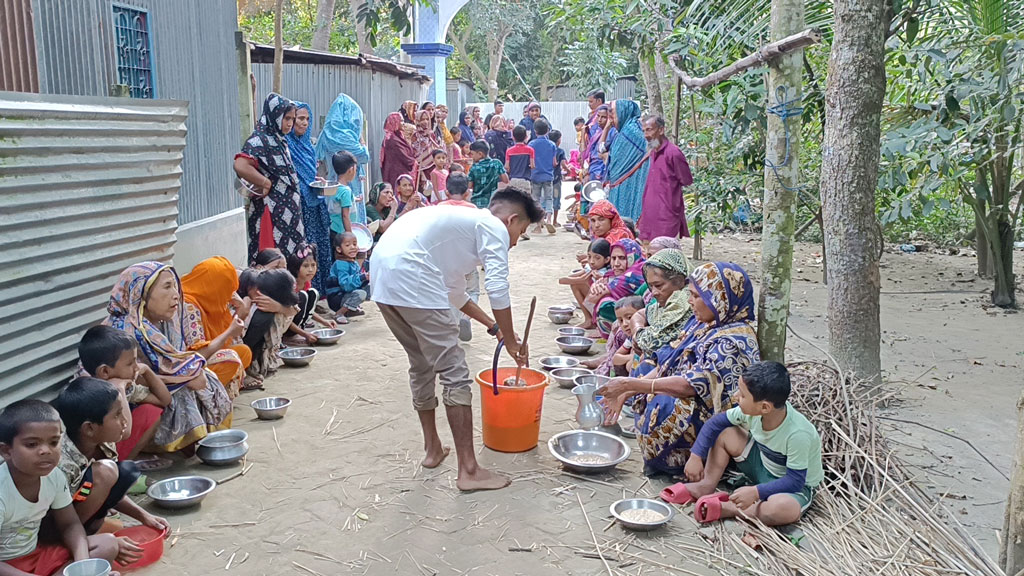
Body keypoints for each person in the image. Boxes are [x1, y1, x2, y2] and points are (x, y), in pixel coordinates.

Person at [370, 188, 542, 491]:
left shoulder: (459, 229)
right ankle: (469, 471)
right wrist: (514, 345)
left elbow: (455, 293)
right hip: (412, 275)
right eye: (521, 230)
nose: (516, 241)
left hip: (384, 277)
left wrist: (495, 327)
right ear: (511, 219)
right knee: (455, 373)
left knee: (421, 363)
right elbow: (498, 288)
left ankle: (433, 449)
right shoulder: (491, 226)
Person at [597, 262, 761, 477]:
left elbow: (690, 384)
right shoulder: (704, 324)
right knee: (646, 368)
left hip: (716, 420)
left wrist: (629, 384)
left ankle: (685, 461)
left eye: (696, 296)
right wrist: (628, 390)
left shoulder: (733, 341)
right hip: (692, 394)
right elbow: (672, 362)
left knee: (670, 403)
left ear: (720, 299)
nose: (689, 302)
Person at [668, 362, 823, 526]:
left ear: (764, 407)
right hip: (763, 464)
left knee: (783, 509)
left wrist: (756, 492)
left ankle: (728, 508)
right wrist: (696, 455)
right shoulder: (751, 413)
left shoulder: (798, 434)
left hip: (791, 486)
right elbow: (715, 423)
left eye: (742, 395)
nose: (735, 396)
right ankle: (706, 485)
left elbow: (794, 481)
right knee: (725, 432)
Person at [104, 262, 234, 453]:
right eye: (167, 287)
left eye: (175, 286)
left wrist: (184, 376)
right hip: (124, 402)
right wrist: (183, 378)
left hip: (148, 386)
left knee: (202, 375)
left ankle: (192, 441)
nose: (176, 294)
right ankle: (150, 448)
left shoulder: (160, 323)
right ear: (141, 293)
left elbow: (176, 362)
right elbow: (133, 376)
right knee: (185, 386)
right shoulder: (126, 331)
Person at [0, 400, 120, 576]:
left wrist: (83, 565)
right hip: (5, 567)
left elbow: (70, 524)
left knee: (106, 545)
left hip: (36, 556)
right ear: (6, 451)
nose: (46, 451)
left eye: (54, 442)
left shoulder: (54, 477)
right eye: (32, 445)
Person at [51, 378, 169, 550]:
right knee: (105, 472)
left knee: (125, 472)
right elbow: (58, 515)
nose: (125, 421)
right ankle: (73, 543)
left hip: (79, 510)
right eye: (117, 415)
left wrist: (144, 516)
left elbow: (109, 488)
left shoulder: (103, 441)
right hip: (55, 526)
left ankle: (91, 532)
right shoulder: (61, 463)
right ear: (89, 428)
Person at [77, 326, 171, 461]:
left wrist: (147, 371)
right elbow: (125, 432)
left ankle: (122, 465)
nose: (136, 367)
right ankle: (117, 470)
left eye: (136, 361)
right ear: (105, 372)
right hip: (92, 459)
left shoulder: (124, 385)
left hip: (111, 447)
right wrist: (119, 389)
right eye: (130, 363)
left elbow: (164, 400)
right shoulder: (92, 394)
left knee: (151, 412)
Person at [233, 93, 305, 264]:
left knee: (292, 261)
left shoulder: (279, 140)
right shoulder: (259, 140)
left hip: (289, 214)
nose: (290, 123)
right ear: (275, 116)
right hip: (271, 213)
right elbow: (241, 165)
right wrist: (265, 182)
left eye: (292, 119)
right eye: (286, 118)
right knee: (272, 262)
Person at [179, 257, 252, 395]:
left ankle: (220, 393)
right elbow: (198, 354)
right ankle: (208, 398)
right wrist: (230, 331)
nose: (230, 294)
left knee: (244, 352)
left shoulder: (212, 298)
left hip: (209, 355)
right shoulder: (189, 306)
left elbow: (234, 338)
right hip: (190, 367)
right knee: (232, 358)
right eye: (227, 288)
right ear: (215, 285)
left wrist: (241, 309)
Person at [286, 101, 333, 293]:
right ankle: (304, 293)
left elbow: (308, 172)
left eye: (307, 119)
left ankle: (318, 294)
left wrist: (316, 179)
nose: (304, 123)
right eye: (300, 119)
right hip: (299, 206)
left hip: (315, 203)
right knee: (303, 251)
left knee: (318, 248)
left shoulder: (306, 146)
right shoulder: (286, 145)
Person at [315, 93, 370, 226]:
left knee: (336, 219)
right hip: (350, 181)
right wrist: (362, 141)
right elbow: (364, 156)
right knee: (351, 218)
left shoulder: (326, 133)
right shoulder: (348, 137)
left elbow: (318, 155)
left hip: (334, 182)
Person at [631, 249, 693, 367]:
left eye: (659, 285)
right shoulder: (667, 301)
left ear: (679, 281)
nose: (653, 292)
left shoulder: (684, 300)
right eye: (650, 286)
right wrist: (637, 330)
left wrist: (638, 336)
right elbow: (640, 314)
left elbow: (649, 342)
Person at [439, 173, 481, 342]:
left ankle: (453, 325)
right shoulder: (473, 210)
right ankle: (465, 317)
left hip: (445, 261)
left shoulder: (439, 208)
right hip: (467, 261)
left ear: (446, 192)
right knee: (472, 291)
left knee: (450, 293)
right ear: (467, 193)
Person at [640, 115, 693, 243]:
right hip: (649, 213)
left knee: (664, 250)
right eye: (644, 131)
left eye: (649, 130)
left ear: (661, 130)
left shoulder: (673, 153)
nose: (646, 135)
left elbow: (686, 180)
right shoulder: (653, 152)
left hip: (666, 215)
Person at [239, 269, 298, 382]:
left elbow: (293, 309)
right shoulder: (248, 286)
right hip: (235, 345)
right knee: (264, 316)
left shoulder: (267, 290)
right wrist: (243, 311)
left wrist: (279, 307)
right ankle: (245, 368)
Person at [588, 240, 646, 336]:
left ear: (632, 257)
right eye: (613, 258)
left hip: (640, 321)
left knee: (604, 304)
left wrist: (598, 288)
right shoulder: (614, 274)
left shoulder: (633, 274)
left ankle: (618, 335)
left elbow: (591, 298)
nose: (616, 263)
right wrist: (596, 285)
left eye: (622, 258)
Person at [606, 100, 650, 221]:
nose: (610, 118)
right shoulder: (624, 131)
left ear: (623, 112)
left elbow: (649, 150)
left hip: (630, 178)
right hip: (621, 181)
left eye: (613, 113)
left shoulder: (631, 132)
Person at [285, 243, 335, 345]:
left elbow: (308, 310)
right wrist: (305, 334)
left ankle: (297, 331)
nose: (311, 270)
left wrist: (324, 322)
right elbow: (285, 318)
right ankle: (288, 336)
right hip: (284, 324)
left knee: (312, 294)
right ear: (296, 267)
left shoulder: (306, 282)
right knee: (303, 295)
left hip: (295, 322)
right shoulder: (290, 286)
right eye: (306, 266)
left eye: (313, 265)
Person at [559, 238, 611, 327]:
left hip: (604, 307)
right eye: (589, 256)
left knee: (578, 284)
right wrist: (581, 278)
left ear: (607, 259)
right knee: (576, 284)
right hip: (593, 303)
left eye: (597, 258)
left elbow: (572, 280)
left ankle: (593, 320)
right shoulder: (590, 268)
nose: (592, 261)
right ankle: (589, 319)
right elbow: (563, 280)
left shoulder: (607, 272)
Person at [327, 232, 370, 324]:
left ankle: (350, 309)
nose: (353, 247)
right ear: (339, 249)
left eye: (354, 244)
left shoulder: (353, 262)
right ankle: (339, 313)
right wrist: (362, 277)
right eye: (347, 245)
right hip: (337, 297)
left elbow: (356, 279)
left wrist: (366, 278)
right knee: (360, 294)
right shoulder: (340, 263)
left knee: (370, 286)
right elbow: (345, 285)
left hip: (346, 294)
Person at [528, 119, 558, 234]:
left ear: (535, 131)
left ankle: (539, 223)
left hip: (535, 175)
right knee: (549, 198)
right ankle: (549, 219)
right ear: (547, 131)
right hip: (548, 175)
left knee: (536, 199)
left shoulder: (531, 144)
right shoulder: (552, 144)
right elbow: (554, 162)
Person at [467, 140, 508, 209]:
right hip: (492, 202)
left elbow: (469, 186)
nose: (472, 157)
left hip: (477, 202)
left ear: (480, 154)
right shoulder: (496, 163)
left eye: (472, 154)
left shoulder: (474, 168)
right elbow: (505, 180)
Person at [381, 112, 416, 190]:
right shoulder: (392, 140)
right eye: (401, 121)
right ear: (395, 122)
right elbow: (406, 159)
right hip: (396, 174)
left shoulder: (398, 136)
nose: (404, 124)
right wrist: (416, 161)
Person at [329, 151, 358, 239]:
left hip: (334, 229)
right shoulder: (346, 191)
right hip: (343, 233)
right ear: (351, 170)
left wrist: (354, 199)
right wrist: (350, 235)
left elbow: (338, 201)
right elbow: (345, 216)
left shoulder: (334, 186)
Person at [411, 109, 442, 191]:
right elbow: (416, 154)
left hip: (433, 166)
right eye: (422, 119)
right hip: (421, 170)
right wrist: (421, 173)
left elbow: (435, 148)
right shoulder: (415, 135)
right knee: (424, 191)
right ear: (417, 120)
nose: (425, 122)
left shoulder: (431, 133)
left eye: (427, 119)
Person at [504, 126, 534, 192]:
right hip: (525, 180)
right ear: (526, 137)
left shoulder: (509, 151)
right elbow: (532, 165)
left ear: (513, 137)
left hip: (513, 179)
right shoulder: (530, 150)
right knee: (525, 201)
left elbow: (506, 167)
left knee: (514, 201)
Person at [549, 129, 569, 227]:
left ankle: (544, 219)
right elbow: (563, 164)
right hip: (556, 179)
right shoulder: (560, 151)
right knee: (556, 198)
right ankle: (554, 221)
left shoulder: (546, 149)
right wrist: (568, 171)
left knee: (545, 198)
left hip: (545, 178)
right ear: (558, 140)